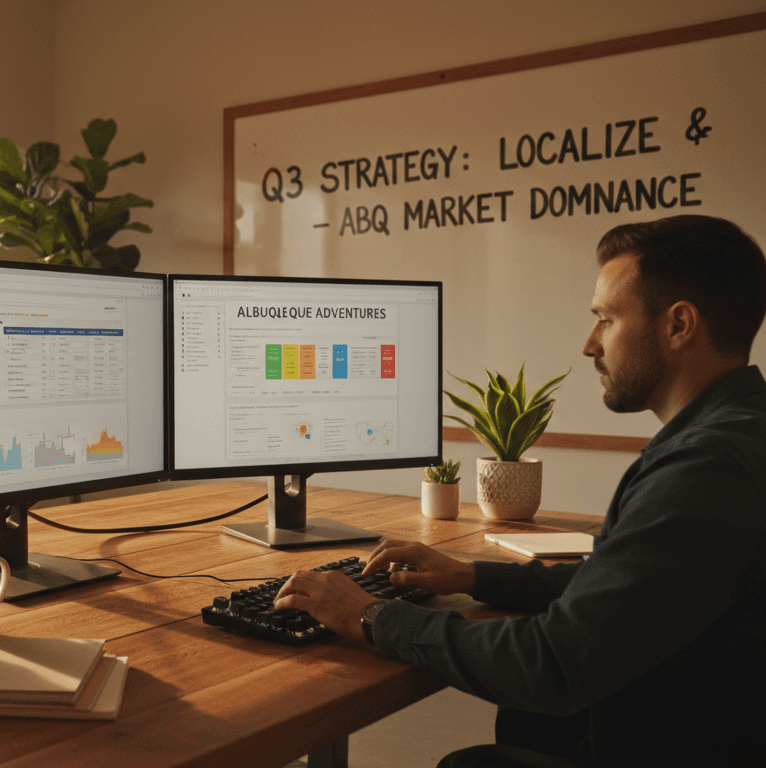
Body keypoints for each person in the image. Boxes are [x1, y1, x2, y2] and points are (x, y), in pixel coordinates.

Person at [274, 214, 766, 768]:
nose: (589, 344)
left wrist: (371, 616)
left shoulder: (707, 469)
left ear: (678, 325)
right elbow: (628, 586)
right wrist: (474, 576)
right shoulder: (737, 434)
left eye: (605, 319)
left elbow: (550, 664)